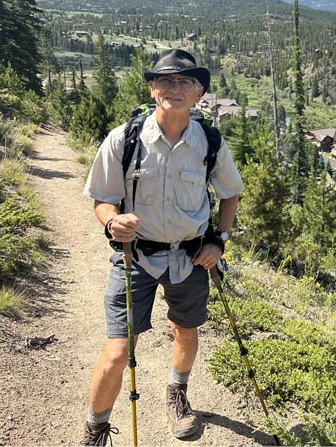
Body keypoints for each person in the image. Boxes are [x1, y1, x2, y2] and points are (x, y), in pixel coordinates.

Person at [80, 49, 245, 445]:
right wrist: (112, 220)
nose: (175, 88)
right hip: (133, 257)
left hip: (190, 258)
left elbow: (230, 194)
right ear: (153, 88)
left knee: (185, 333)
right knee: (119, 353)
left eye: (184, 81)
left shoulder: (208, 141)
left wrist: (218, 242)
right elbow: (102, 199)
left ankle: (177, 392)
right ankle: (95, 428)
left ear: (198, 92)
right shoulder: (125, 138)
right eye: (166, 80)